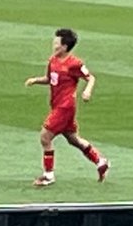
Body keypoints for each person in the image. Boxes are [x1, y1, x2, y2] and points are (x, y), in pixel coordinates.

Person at [24, 28, 109, 187]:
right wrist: (35, 80)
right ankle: (100, 161)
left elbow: (90, 78)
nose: (53, 45)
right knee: (73, 139)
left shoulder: (74, 64)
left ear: (64, 47)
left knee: (45, 137)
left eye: (56, 43)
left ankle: (48, 176)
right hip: (57, 105)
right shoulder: (53, 60)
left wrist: (87, 91)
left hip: (65, 107)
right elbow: (50, 79)